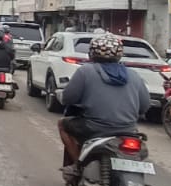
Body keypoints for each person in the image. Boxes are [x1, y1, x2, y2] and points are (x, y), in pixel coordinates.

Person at [57, 33, 152, 176]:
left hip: (95, 128)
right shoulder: (133, 75)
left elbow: (68, 99)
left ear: (92, 53)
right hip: (128, 130)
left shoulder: (85, 71)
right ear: (119, 54)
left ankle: (78, 165)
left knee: (62, 124)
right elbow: (145, 106)